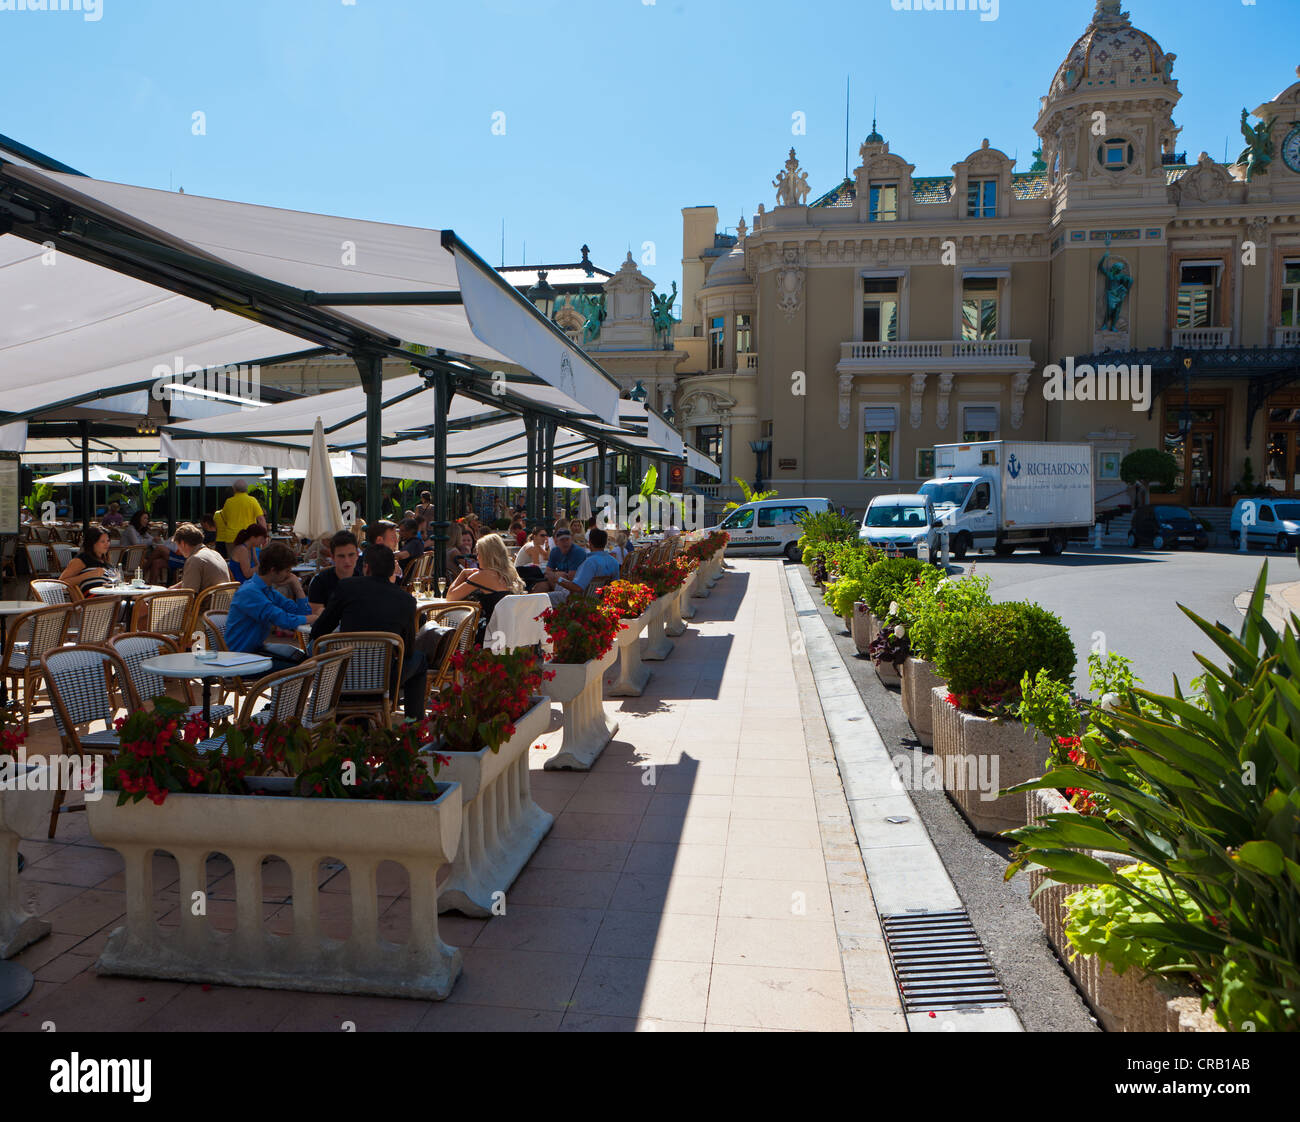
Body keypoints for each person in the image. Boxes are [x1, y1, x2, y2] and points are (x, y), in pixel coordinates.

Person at [309, 545, 426, 720]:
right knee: (419, 659)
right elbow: (407, 649)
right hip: (383, 682)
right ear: (391, 570)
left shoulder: (346, 587)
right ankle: (414, 724)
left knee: (316, 648)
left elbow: (319, 630)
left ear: (366, 567)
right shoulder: (407, 601)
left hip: (342, 678)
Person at [225, 543, 318, 672]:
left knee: (305, 660)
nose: (289, 575)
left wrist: (296, 587)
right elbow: (283, 620)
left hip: (255, 651)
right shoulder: (250, 592)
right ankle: (287, 692)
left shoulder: (266, 589)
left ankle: (288, 691)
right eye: (287, 571)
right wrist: (312, 618)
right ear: (273, 570)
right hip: (240, 659)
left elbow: (301, 612)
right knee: (301, 669)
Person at [446, 532, 524, 629]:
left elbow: (450, 597)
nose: (477, 558)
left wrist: (462, 574)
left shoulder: (482, 576)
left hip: (490, 633)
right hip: (510, 630)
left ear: (486, 555)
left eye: (478, 554)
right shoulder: (510, 573)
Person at [546, 528, 620, 606]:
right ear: (605, 543)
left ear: (590, 543)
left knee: (544, 597)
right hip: (600, 600)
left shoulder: (590, 562)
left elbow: (577, 587)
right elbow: (615, 585)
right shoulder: (614, 562)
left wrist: (558, 579)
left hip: (580, 600)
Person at [307, 531, 360, 610]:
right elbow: (317, 614)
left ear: (357, 555)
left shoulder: (365, 579)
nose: (347, 561)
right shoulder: (320, 582)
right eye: (341, 556)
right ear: (332, 557)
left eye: (351, 555)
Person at [173, 523, 230, 594]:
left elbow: (189, 594)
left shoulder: (194, 560)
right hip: (223, 603)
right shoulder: (216, 554)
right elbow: (193, 579)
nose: (178, 550)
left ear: (182, 543)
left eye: (177, 545)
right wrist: (171, 589)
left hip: (205, 604)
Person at [216, 479, 267, 556]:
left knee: (233, 562)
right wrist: (264, 535)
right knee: (250, 561)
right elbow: (261, 519)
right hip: (249, 537)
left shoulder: (229, 502)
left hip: (232, 538)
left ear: (234, 489)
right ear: (246, 489)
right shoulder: (252, 500)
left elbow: (224, 519)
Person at [532, 526, 587, 594]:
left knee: (544, 597)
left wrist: (556, 576)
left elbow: (571, 578)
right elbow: (547, 573)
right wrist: (557, 575)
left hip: (574, 589)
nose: (565, 542)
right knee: (541, 586)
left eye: (567, 539)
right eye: (562, 540)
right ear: (556, 542)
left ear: (571, 540)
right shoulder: (555, 551)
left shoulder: (577, 552)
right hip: (560, 584)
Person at [59, 526, 115, 594]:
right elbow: (61, 583)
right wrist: (88, 575)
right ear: (92, 543)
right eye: (102, 541)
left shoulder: (105, 562)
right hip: (94, 601)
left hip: (111, 598)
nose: (107, 544)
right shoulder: (82, 559)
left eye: (108, 541)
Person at [119, 511, 169, 584]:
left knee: (156, 562)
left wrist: (156, 540)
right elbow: (137, 543)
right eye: (145, 518)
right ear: (138, 519)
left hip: (139, 556)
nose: (146, 520)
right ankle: (173, 562)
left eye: (147, 519)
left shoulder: (142, 531)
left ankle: (152, 584)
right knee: (159, 551)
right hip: (128, 557)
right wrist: (152, 540)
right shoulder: (131, 529)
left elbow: (152, 539)